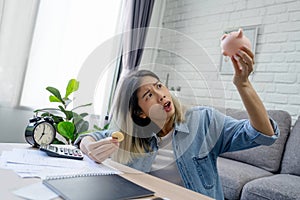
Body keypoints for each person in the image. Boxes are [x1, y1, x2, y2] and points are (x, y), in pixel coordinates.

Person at [75, 46, 279, 199]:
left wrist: (243, 84)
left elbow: (262, 135)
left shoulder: (204, 121)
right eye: (149, 95)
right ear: (140, 113)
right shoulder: (133, 135)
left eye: (159, 86)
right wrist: (88, 146)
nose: (161, 95)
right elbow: (91, 138)